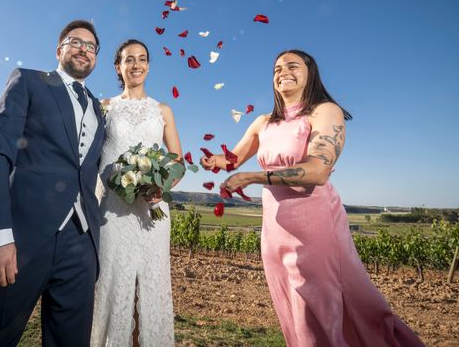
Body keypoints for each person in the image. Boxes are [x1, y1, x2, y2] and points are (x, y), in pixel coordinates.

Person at [200, 49, 424, 347]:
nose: (282, 72)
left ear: (311, 74)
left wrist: (255, 177)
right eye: (277, 68)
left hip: (314, 227)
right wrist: (211, 161)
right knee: (293, 311)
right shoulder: (262, 122)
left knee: (326, 305)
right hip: (275, 231)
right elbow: (232, 160)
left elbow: (318, 171)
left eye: (293, 66)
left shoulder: (324, 111)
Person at [0, 20, 106, 346]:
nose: (84, 49)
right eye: (75, 42)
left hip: (82, 243)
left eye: (91, 46)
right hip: (22, 240)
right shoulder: (28, 81)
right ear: (59, 50)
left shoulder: (99, 108)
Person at [90, 39, 182, 347]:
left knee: (149, 285)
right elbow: (90, 158)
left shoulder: (163, 110)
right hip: (113, 210)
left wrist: (162, 186)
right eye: (129, 59)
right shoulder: (104, 107)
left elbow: (178, 161)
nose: (137, 65)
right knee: (114, 281)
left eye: (142, 59)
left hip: (152, 213)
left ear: (149, 66)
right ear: (118, 66)